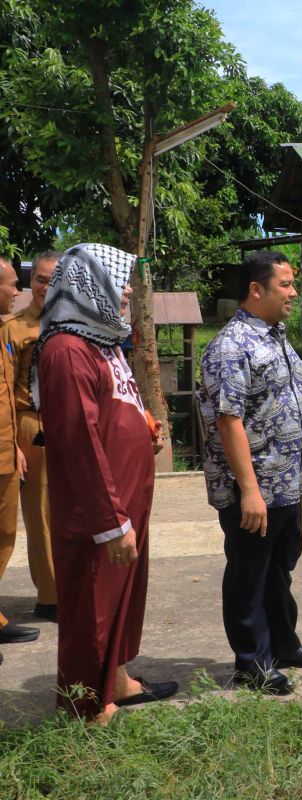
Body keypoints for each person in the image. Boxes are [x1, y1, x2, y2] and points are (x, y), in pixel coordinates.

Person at [34, 243, 176, 723]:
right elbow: (78, 442)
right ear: (90, 283)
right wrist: (111, 522)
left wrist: (143, 429)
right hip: (101, 510)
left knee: (121, 598)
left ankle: (115, 681)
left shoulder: (102, 341)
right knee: (91, 607)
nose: (130, 289)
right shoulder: (67, 350)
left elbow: (113, 410)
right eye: (121, 279)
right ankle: (84, 711)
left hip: (127, 493)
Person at [199, 251, 302, 696]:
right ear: (256, 290)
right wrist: (250, 491)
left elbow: (282, 406)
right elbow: (229, 420)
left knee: (279, 570)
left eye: (293, 284)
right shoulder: (231, 346)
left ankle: (284, 645)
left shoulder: (276, 338)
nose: (294, 293)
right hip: (252, 490)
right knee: (249, 575)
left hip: (286, 482)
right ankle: (252, 663)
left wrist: (300, 466)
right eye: (286, 285)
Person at [2, 251, 61, 622]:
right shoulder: (15, 328)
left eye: (55, 280)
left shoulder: (78, 325)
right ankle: (52, 596)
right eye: (40, 279)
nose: (46, 287)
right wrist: (11, 443)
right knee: (40, 512)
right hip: (32, 423)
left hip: (73, 425)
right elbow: (5, 390)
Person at [0, 256, 34, 648]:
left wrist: (13, 445)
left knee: (5, 537)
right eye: (11, 284)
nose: (16, 292)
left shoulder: (4, 331)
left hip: (6, 453)